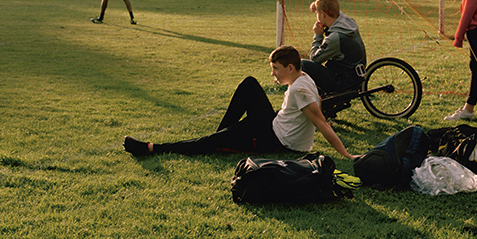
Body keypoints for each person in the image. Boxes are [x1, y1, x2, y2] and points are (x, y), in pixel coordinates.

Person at [123, 45, 356, 159]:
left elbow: (321, 122)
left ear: (290, 67)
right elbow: (316, 105)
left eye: (276, 69)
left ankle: (152, 148)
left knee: (214, 142)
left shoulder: (299, 90)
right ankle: (220, 134)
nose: (273, 74)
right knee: (249, 84)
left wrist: (347, 155)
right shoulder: (303, 77)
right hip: (274, 123)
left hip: (276, 140)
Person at [300, 0, 367, 96]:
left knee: (303, 64)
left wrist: (318, 35)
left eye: (317, 13)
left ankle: (317, 98)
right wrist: (317, 4)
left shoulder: (335, 38)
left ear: (323, 14)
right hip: (356, 76)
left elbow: (315, 58)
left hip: (343, 82)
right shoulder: (348, 21)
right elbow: (331, 6)